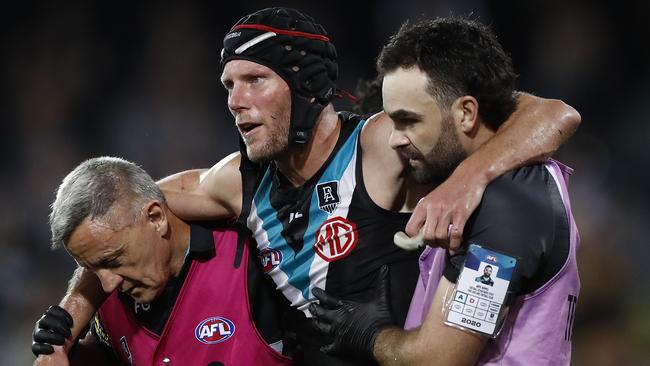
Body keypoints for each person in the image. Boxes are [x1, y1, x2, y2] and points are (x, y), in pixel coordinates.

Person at [32, 7, 581, 366]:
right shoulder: (235, 181)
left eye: (254, 80)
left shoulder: (380, 142)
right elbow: (116, 220)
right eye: (228, 85)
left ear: (302, 82)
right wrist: (67, 323)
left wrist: (465, 178)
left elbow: (551, 113)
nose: (235, 100)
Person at [308, 17, 580, 366]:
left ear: (466, 113)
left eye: (409, 120)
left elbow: (438, 360)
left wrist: (371, 335)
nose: (395, 138)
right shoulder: (471, 190)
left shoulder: (508, 203)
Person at [36, 157, 292, 365]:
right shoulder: (109, 301)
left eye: (113, 260)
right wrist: (67, 352)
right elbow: (108, 356)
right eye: (91, 268)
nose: (107, 284)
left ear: (156, 217)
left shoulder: (250, 252)